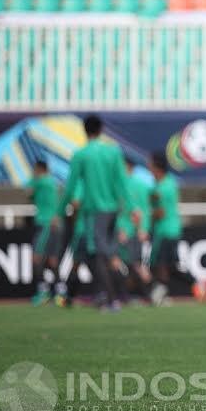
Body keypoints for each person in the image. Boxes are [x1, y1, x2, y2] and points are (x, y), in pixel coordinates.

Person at [55, 114, 133, 311]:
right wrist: (132, 208)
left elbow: (70, 186)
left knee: (99, 255)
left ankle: (112, 299)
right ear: (101, 130)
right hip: (113, 210)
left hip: (94, 212)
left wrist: (58, 211)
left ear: (85, 130)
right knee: (98, 254)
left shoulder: (81, 155)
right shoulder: (113, 152)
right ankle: (110, 296)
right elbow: (121, 182)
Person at [149, 153, 203, 305]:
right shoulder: (169, 183)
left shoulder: (162, 187)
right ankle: (195, 285)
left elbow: (160, 212)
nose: (148, 168)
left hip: (165, 230)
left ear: (156, 167)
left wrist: (147, 214)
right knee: (169, 265)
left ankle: (163, 294)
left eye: (150, 164)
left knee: (160, 264)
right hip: (172, 229)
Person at [115, 158, 153, 303]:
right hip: (133, 231)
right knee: (133, 264)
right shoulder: (141, 185)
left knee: (130, 264)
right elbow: (145, 209)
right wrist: (143, 229)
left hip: (125, 231)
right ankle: (142, 294)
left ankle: (148, 293)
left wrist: (123, 229)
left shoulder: (121, 185)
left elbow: (131, 210)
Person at [28, 160, 61, 305]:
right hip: (54, 223)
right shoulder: (51, 182)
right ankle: (59, 291)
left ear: (39, 169)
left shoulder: (40, 181)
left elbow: (27, 191)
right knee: (52, 259)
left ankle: (43, 292)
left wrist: (33, 178)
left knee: (36, 257)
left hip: (45, 223)